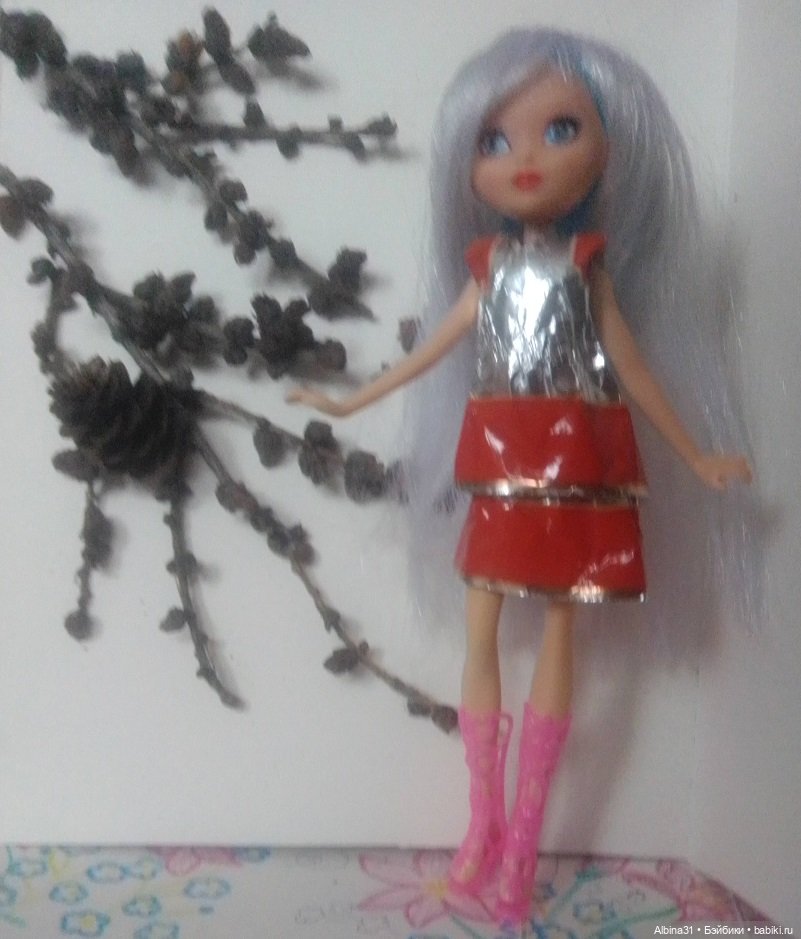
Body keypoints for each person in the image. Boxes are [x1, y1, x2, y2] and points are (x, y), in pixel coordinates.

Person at [288, 28, 753, 924]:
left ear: (610, 148)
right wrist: (350, 401)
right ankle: (483, 824)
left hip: (575, 458)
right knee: (481, 630)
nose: (524, 158)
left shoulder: (588, 269)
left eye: (560, 129)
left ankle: (523, 846)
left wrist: (696, 453)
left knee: (558, 639)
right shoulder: (486, 267)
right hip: (500, 457)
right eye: (493, 140)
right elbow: (429, 351)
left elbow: (631, 367)